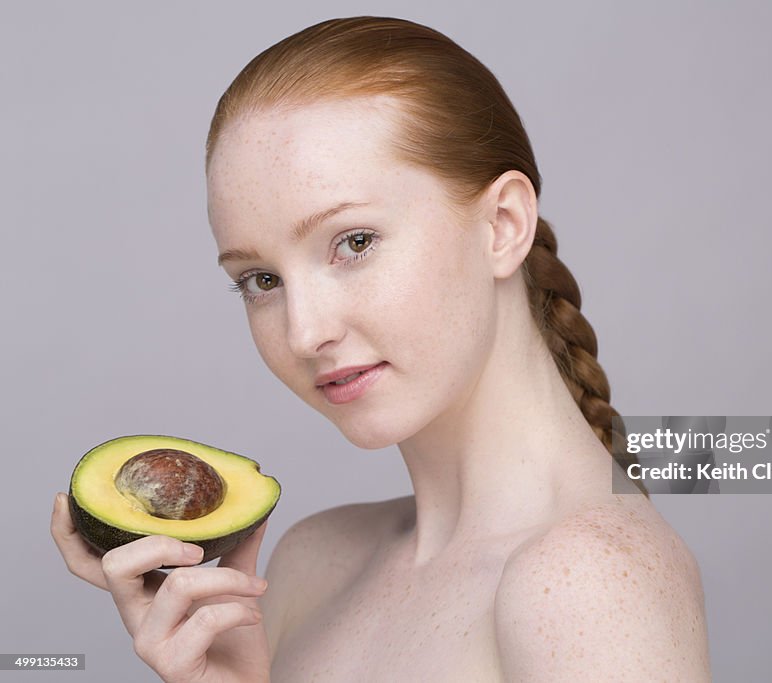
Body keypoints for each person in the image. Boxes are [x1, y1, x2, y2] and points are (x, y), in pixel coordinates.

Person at [51, 16, 711, 682]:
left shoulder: (587, 581)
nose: (305, 332)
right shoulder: (311, 564)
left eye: (354, 241)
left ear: (504, 225)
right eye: (262, 280)